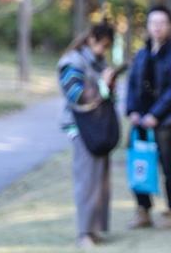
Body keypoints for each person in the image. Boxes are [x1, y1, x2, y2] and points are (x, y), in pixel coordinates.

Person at [126, 4, 171, 229]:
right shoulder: (142, 54)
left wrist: (156, 114)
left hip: (167, 121)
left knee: (168, 165)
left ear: (170, 26)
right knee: (139, 162)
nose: (157, 28)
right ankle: (142, 209)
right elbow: (132, 84)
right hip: (140, 120)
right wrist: (132, 111)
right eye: (154, 23)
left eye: (162, 23)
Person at [58, 21, 118, 250]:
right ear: (91, 38)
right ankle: (84, 233)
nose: (104, 50)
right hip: (82, 128)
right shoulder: (71, 62)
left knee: (101, 180)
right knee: (86, 181)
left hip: (99, 127)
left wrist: (109, 83)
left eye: (107, 46)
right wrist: (103, 84)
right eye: (102, 44)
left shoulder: (99, 61)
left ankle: (95, 230)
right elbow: (77, 95)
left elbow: (106, 93)